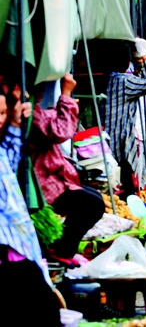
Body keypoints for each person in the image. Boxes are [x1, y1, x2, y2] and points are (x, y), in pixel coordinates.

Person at [0, 86, 62, 325]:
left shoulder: (3, 149)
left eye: (4, 113)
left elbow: (12, 155)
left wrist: (15, 123)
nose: (1, 119)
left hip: (20, 247)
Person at [30, 73, 105, 261]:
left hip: (51, 178)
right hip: (40, 183)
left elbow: (54, 124)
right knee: (92, 204)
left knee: (94, 199)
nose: (40, 92)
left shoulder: (34, 111)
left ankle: (60, 246)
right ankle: (60, 250)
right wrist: (66, 94)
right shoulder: (27, 113)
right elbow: (60, 131)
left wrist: (66, 102)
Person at [105, 38, 146, 196]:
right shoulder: (123, 82)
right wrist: (145, 57)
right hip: (120, 146)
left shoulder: (108, 79)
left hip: (107, 144)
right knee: (126, 188)